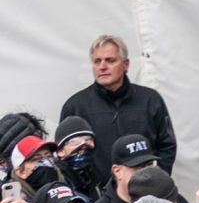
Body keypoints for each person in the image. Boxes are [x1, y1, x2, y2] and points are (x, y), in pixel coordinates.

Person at [59, 36, 176, 185]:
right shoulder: (75, 106)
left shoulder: (150, 100)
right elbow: (65, 155)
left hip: (144, 192)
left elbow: (167, 146)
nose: (102, 66)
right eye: (97, 61)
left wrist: (156, 182)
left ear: (126, 64)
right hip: (96, 197)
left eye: (110, 60)